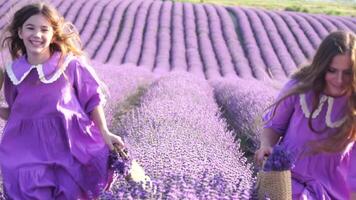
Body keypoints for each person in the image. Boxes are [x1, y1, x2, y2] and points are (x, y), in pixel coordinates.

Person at [0, 2, 124, 199]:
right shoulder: (13, 72)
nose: (37, 35)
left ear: (53, 34)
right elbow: (16, 111)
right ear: (20, 32)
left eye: (44, 29)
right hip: (27, 152)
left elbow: (92, 100)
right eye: (30, 28)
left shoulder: (69, 65)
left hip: (69, 148)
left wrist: (105, 132)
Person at [255, 31, 356, 199]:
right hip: (285, 181)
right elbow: (273, 126)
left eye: (347, 73)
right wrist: (266, 146)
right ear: (322, 66)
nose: (339, 80)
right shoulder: (299, 88)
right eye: (332, 70)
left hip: (330, 192)